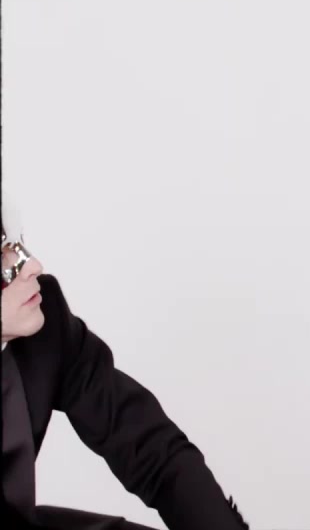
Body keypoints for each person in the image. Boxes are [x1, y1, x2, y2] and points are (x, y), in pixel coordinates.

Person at [1, 217, 249, 530]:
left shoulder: (45, 321)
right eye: (3, 261)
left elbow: (149, 448)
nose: (33, 266)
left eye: (18, 244)